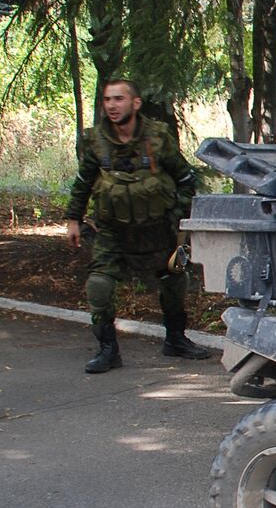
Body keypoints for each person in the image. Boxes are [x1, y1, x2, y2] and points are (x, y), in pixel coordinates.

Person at [63, 78, 209, 373]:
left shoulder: (157, 138)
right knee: (99, 285)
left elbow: (184, 178)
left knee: (174, 281)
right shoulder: (95, 141)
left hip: (158, 228)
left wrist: (180, 219)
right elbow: (83, 183)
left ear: (135, 103)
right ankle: (108, 350)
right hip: (113, 231)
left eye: (119, 99)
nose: (112, 106)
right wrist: (73, 220)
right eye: (107, 100)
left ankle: (176, 339)